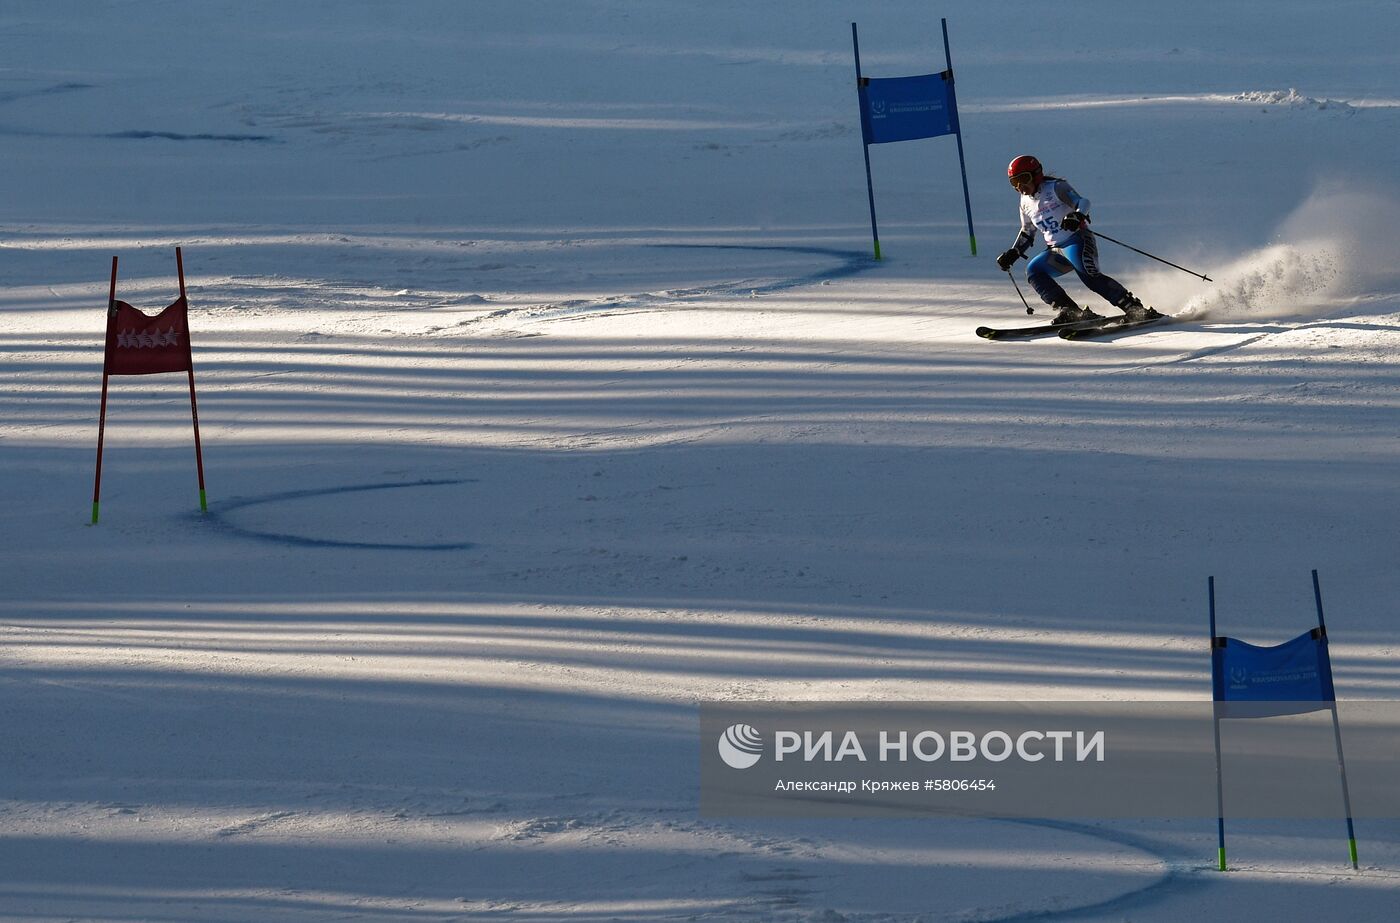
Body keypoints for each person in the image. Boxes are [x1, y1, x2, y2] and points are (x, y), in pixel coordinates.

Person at [995, 155, 1160, 325]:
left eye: (1024, 179)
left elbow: (1083, 202)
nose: (1020, 186)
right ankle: (1070, 311)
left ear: (1036, 174)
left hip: (1077, 241)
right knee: (1034, 272)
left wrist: (1077, 215)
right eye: (1014, 182)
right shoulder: (1024, 202)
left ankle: (1135, 309)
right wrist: (1014, 252)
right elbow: (1028, 231)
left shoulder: (1056, 187)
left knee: (1090, 276)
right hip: (1055, 250)